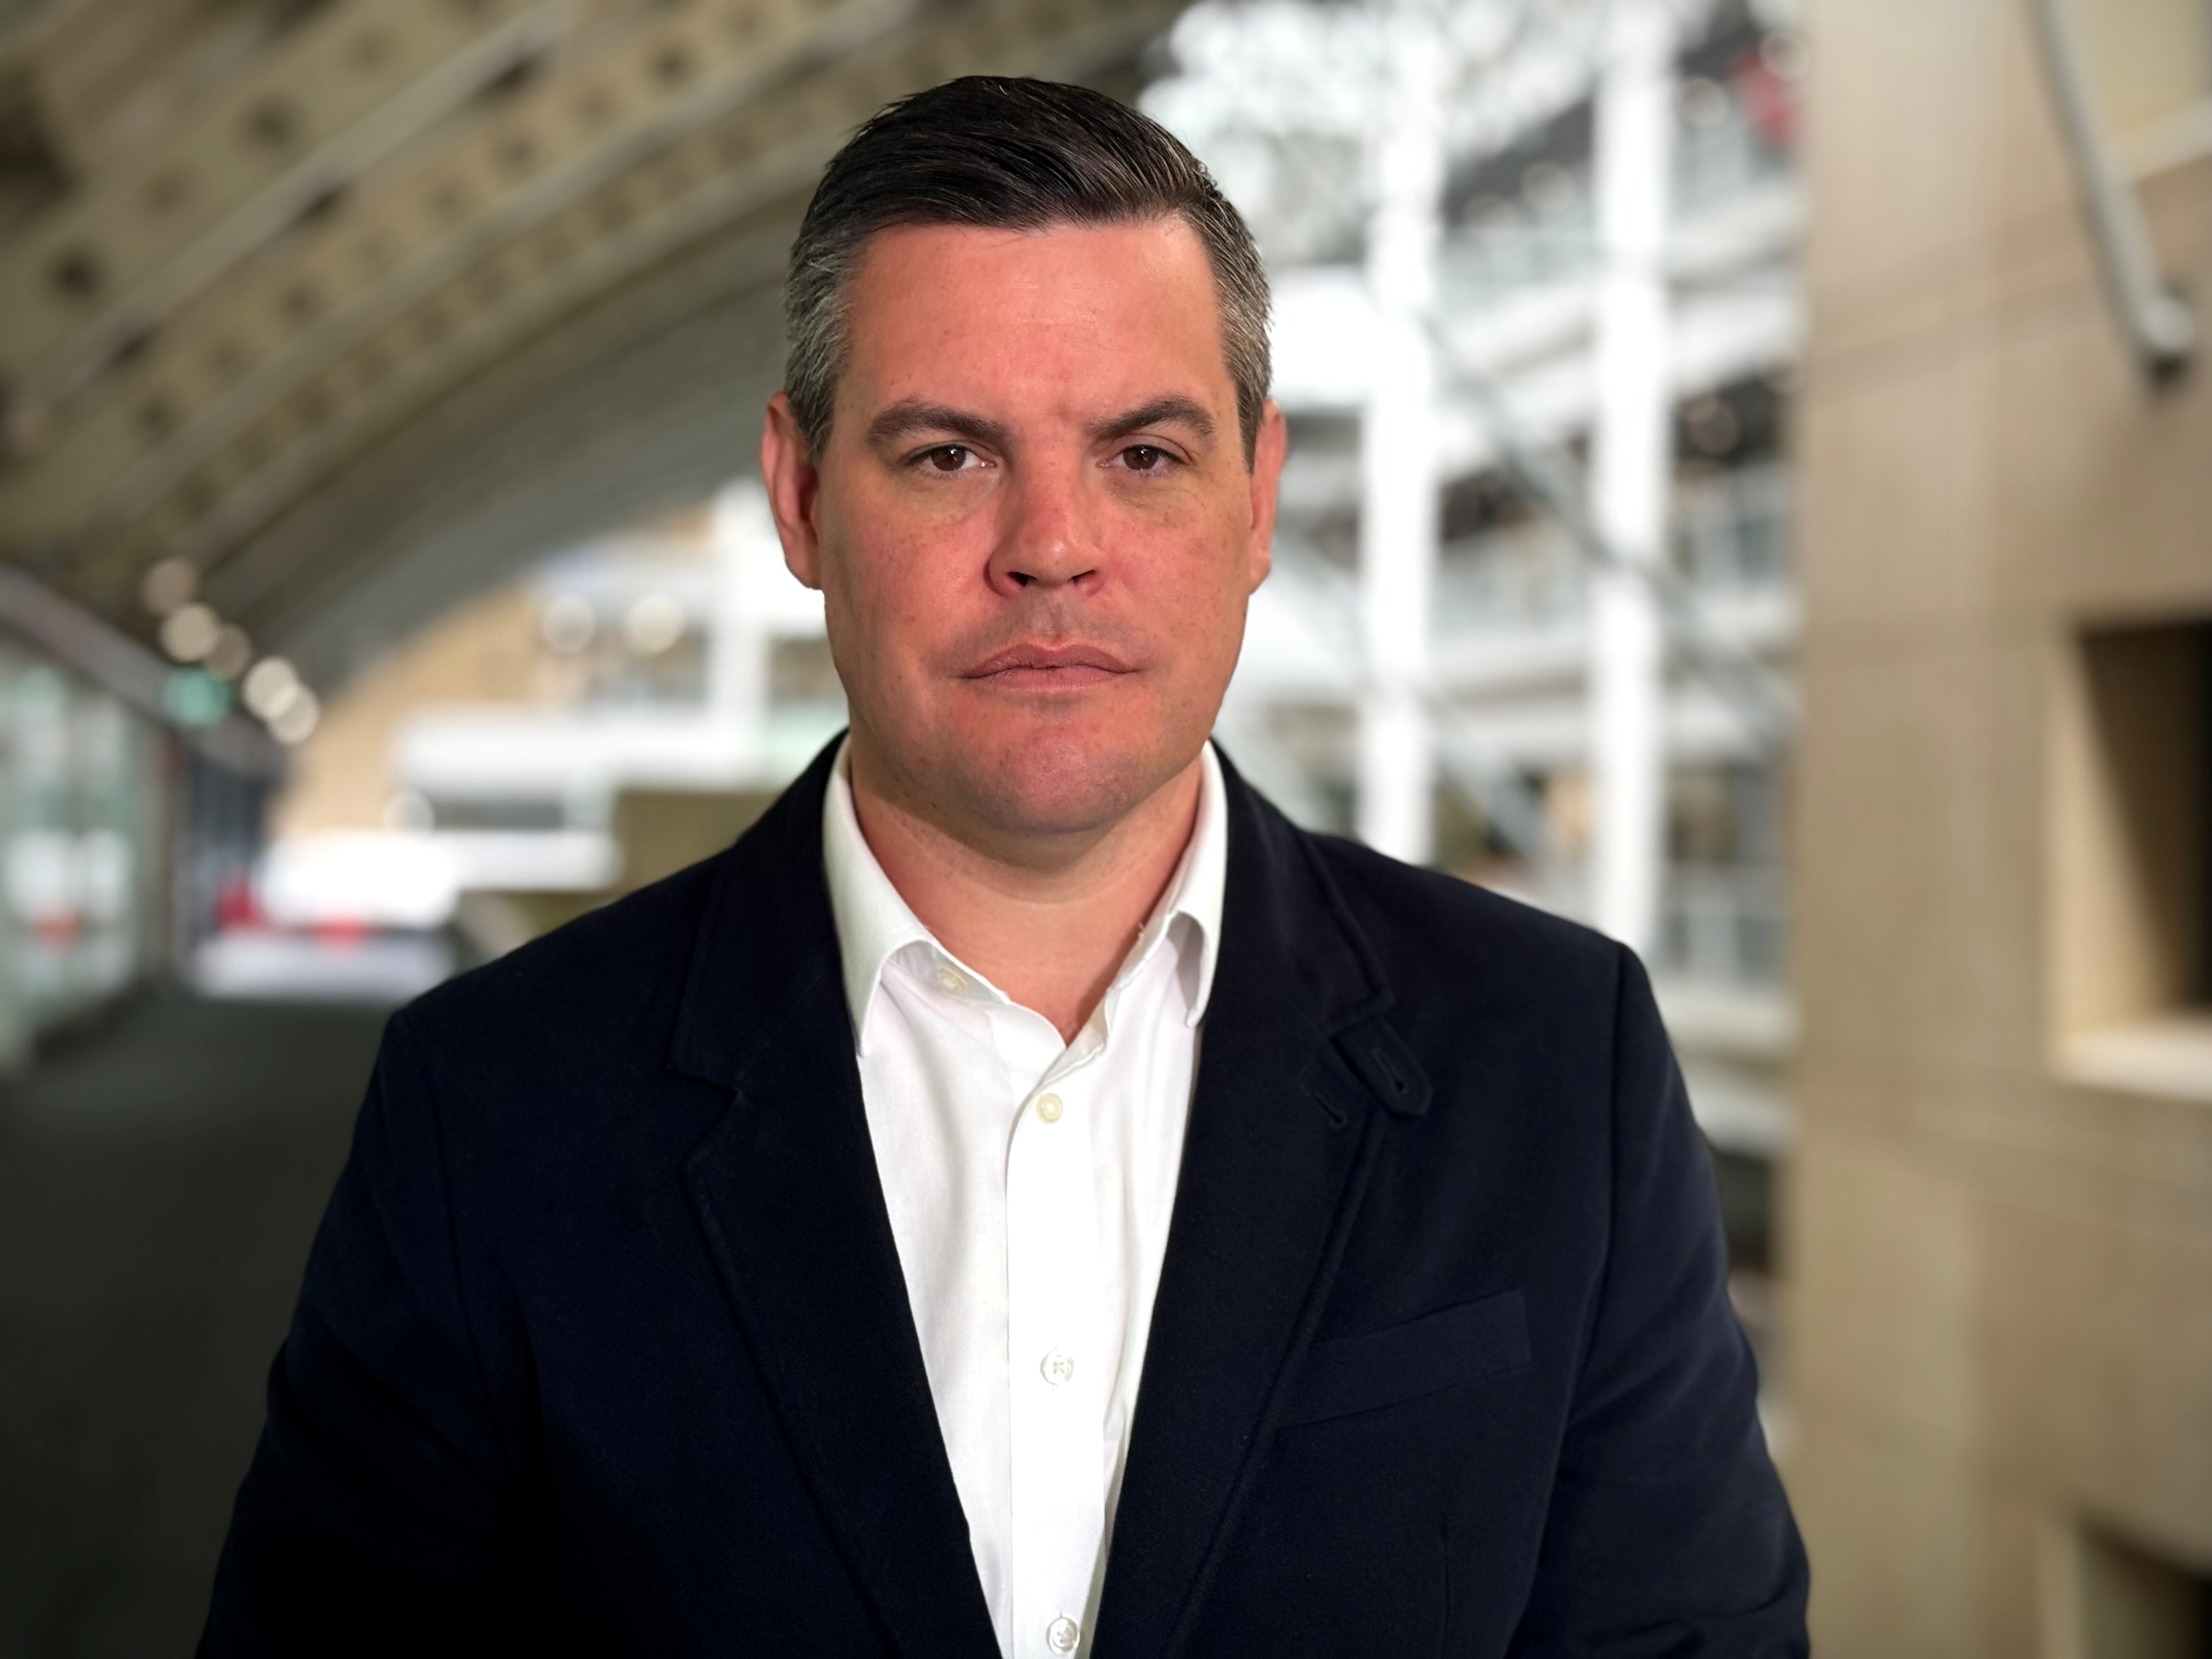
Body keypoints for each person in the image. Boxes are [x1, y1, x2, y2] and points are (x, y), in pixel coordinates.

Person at [200, 76, 1807, 1658]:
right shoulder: (491, 1109)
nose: (1052, 542)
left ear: (1260, 499)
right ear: (804, 497)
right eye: (951, 455)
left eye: (1145, 456)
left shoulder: (1549, 1060)